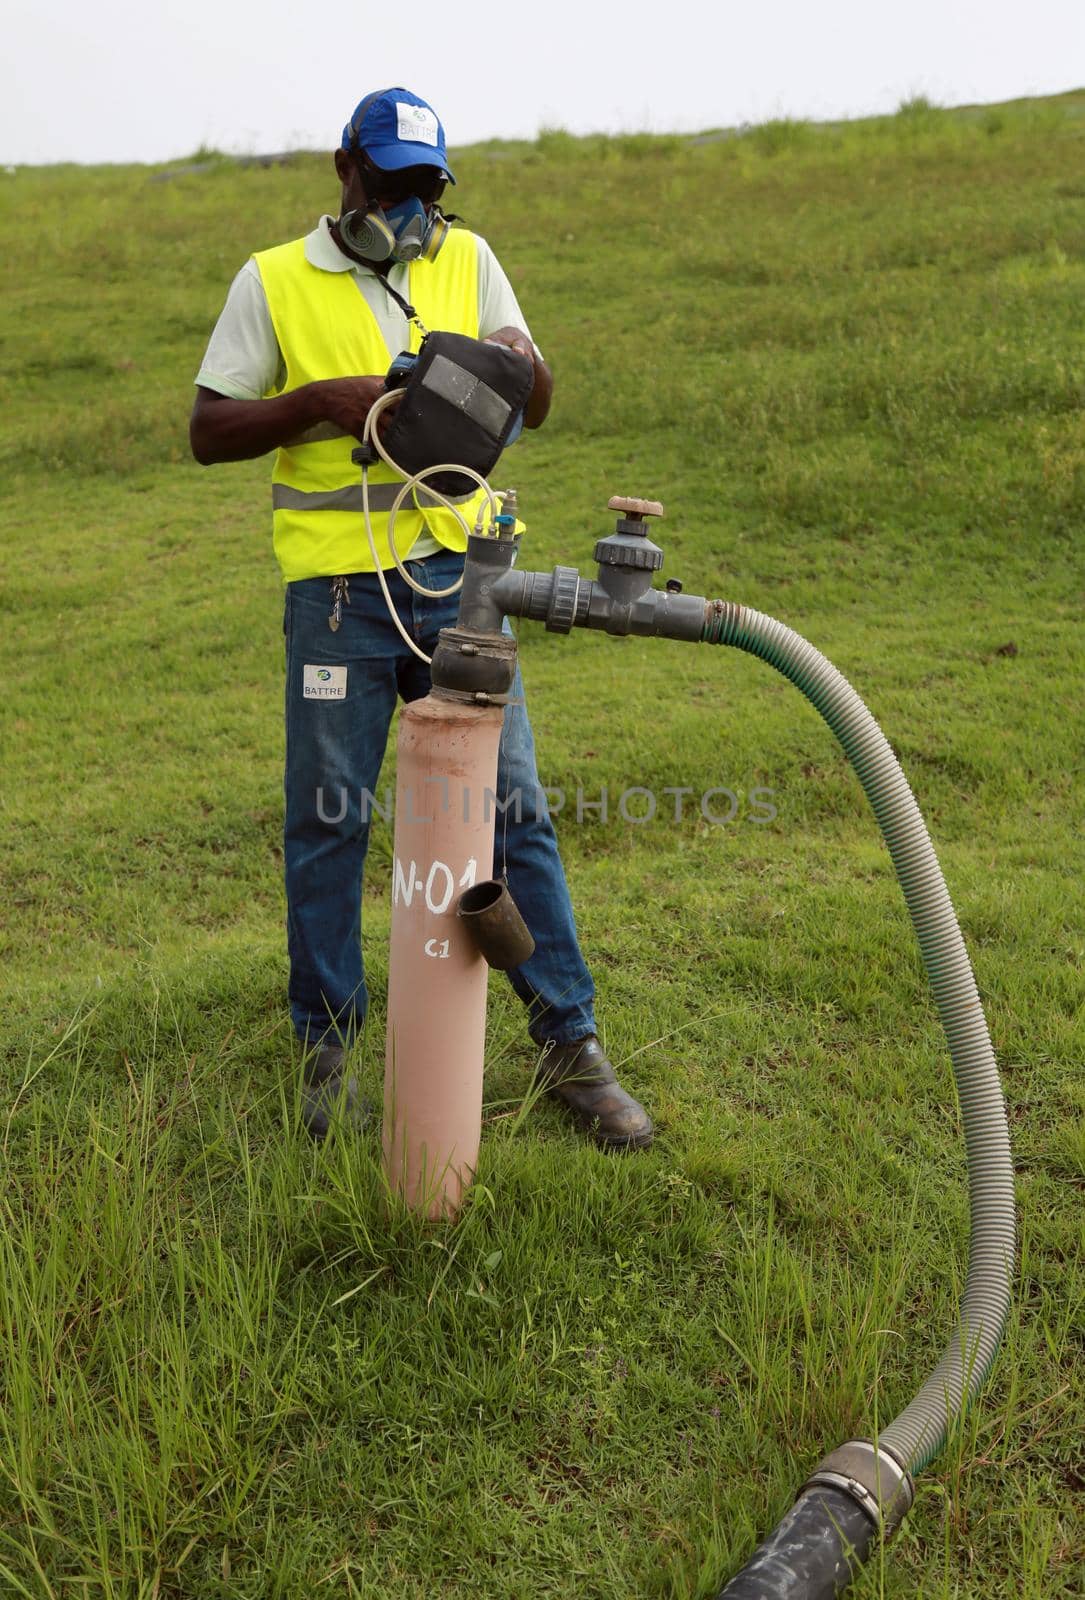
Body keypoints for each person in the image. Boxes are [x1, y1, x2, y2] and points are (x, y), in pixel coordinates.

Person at [189, 86, 652, 1151]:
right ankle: (326, 1050)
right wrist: (314, 403)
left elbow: (533, 400)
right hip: (338, 597)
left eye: (425, 191)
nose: (408, 212)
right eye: (390, 186)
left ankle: (569, 1042)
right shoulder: (272, 281)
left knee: (513, 814)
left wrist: (516, 368)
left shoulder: (467, 258)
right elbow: (209, 429)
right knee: (327, 820)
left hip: (463, 583)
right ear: (342, 169)